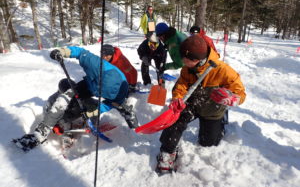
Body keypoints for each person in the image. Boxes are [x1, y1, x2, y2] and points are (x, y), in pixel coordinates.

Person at [13, 46, 138, 152]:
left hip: (107, 91)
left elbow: (110, 104)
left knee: (121, 107)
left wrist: (95, 111)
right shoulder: (95, 64)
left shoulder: (120, 92)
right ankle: (40, 133)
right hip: (90, 84)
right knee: (66, 97)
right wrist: (62, 52)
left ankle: (134, 128)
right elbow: (79, 52)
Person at [156, 36, 246, 173]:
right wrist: (177, 98)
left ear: (199, 58)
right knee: (175, 120)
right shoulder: (186, 69)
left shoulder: (222, 70)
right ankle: (168, 151)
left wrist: (231, 98)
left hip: (212, 108)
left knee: (208, 143)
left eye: (189, 60)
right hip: (192, 104)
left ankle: (222, 120)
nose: (184, 62)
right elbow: (181, 85)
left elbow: (240, 93)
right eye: (183, 59)